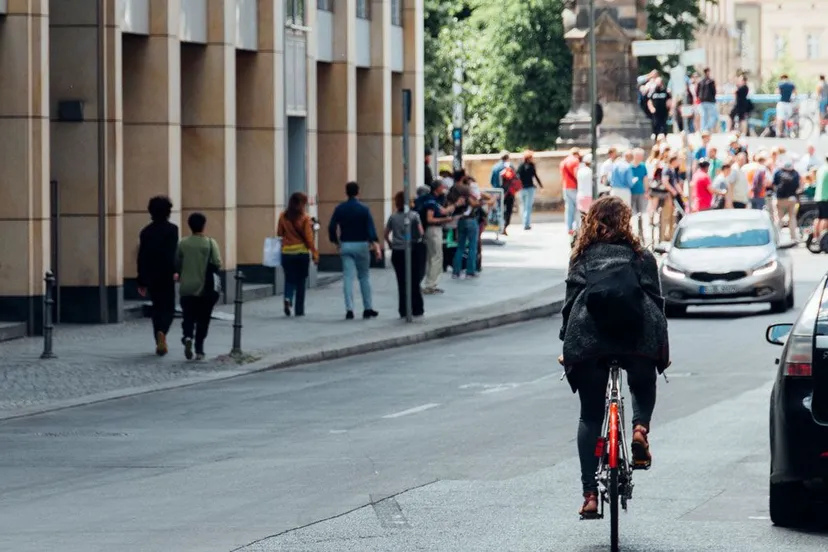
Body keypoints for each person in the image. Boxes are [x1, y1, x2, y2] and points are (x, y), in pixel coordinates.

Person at [558, 196, 669, 518]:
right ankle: (639, 430)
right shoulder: (641, 256)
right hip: (637, 337)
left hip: (588, 340)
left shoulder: (581, 257)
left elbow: (569, 306)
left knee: (590, 415)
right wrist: (660, 350)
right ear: (626, 222)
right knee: (642, 381)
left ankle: (590, 495)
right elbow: (656, 303)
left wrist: (567, 346)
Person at [328, 181, 382, 320]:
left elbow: (331, 226)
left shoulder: (340, 208)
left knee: (348, 277)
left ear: (346, 192)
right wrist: (375, 244)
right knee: (364, 276)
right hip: (362, 244)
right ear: (358, 192)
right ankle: (367, 308)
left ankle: (349, 309)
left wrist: (335, 241)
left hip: (346, 244)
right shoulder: (364, 209)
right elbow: (370, 229)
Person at [137, 195, 179, 356]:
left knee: (156, 307)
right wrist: (176, 271)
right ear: (168, 212)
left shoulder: (146, 232)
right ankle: (163, 331)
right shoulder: (172, 230)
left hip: (152, 275)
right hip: (166, 274)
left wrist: (141, 280)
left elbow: (141, 256)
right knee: (168, 308)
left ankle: (158, 336)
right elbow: (171, 254)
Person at [176, 212, 221, 361]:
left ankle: (188, 336)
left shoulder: (183, 243)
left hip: (187, 286)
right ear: (204, 225)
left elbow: (177, 262)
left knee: (188, 316)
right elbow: (217, 262)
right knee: (203, 319)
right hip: (205, 288)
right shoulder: (210, 243)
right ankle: (199, 349)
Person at [418, 180, 464, 294]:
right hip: (433, 229)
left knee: (433, 257)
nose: (443, 188)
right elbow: (430, 218)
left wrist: (455, 205)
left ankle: (431, 283)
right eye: (441, 187)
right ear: (436, 188)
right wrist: (446, 219)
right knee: (436, 257)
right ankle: (430, 285)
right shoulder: (431, 201)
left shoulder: (433, 200)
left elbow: (443, 210)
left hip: (432, 230)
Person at [385, 191, 426, 318]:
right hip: (411, 250)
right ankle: (417, 308)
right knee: (414, 281)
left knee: (401, 282)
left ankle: (403, 309)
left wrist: (391, 244)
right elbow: (421, 233)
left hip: (397, 252)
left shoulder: (393, 217)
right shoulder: (414, 216)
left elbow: (386, 234)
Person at [277, 192, 319, 317]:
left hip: (286, 253)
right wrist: (315, 254)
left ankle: (288, 298)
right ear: (301, 204)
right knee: (301, 281)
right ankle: (299, 310)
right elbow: (309, 238)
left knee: (289, 278)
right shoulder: (305, 218)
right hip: (301, 253)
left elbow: (279, 233)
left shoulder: (283, 216)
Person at [451, 179, 481, 279]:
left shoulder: (456, 197)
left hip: (461, 221)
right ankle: (470, 271)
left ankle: (456, 271)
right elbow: (474, 204)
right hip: (471, 220)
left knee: (460, 247)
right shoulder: (468, 196)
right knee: (472, 247)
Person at [773, 160, 802, 240]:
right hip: (792, 199)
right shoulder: (795, 173)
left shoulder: (778, 172)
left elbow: (774, 185)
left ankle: (776, 237)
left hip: (780, 199)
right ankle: (793, 237)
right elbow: (799, 186)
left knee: (778, 218)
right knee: (792, 217)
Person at [517, 150, 544, 230]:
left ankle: (525, 222)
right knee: (528, 207)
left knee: (523, 206)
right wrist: (541, 186)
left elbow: (517, 176)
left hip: (522, 188)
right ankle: (526, 224)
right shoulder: (531, 165)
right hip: (529, 188)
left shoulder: (521, 166)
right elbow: (535, 176)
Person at [560, 148, 582, 236]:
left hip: (565, 187)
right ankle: (577, 227)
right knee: (577, 208)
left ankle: (569, 228)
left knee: (569, 209)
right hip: (573, 186)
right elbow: (576, 174)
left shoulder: (563, 162)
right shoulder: (575, 161)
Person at [630, 148, 649, 236]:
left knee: (640, 212)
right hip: (631, 192)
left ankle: (641, 231)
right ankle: (631, 231)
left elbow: (645, 179)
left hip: (640, 192)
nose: (641, 157)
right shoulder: (629, 166)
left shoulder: (643, 166)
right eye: (640, 156)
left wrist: (646, 191)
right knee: (630, 212)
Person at [697, 67, 718, 132]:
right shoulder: (711, 81)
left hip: (702, 101)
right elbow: (714, 91)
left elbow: (697, 92)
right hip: (710, 101)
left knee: (704, 117)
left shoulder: (700, 81)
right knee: (714, 116)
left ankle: (703, 129)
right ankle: (706, 128)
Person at [814, 157, 828, 237]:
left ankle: (816, 237)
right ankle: (823, 239)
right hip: (826, 197)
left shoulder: (821, 168)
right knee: (825, 219)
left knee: (818, 218)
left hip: (818, 196)